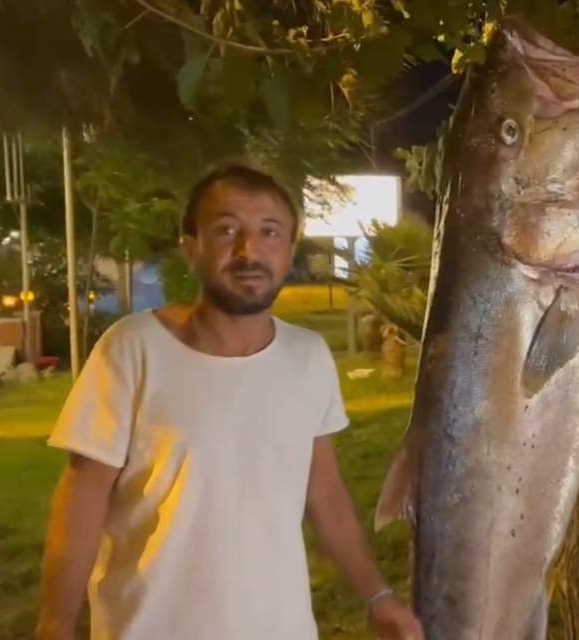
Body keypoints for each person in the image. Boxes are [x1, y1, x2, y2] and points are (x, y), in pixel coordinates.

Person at [35, 164, 423, 640]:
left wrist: (378, 597)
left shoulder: (308, 357)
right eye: (226, 230)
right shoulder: (133, 348)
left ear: (289, 249)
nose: (249, 250)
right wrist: (54, 624)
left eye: (269, 232)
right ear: (191, 247)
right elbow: (83, 496)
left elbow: (324, 494)